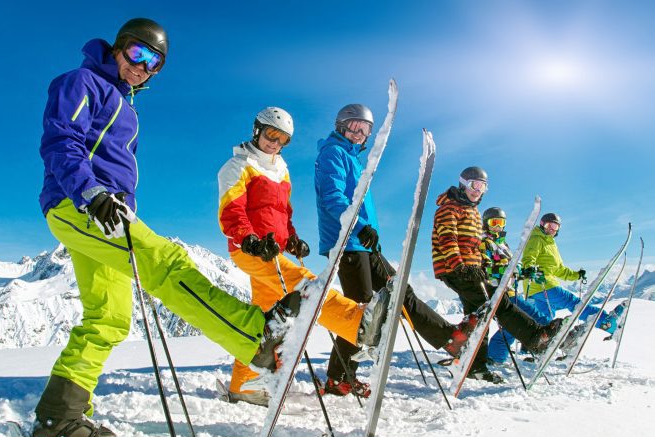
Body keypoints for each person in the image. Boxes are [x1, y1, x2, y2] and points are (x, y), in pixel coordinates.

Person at [33, 18, 296, 437]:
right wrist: (91, 192)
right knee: (167, 263)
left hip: (104, 209)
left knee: (109, 319)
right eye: (138, 53)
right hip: (79, 204)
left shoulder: (125, 105)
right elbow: (62, 140)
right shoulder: (81, 81)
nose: (144, 67)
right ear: (119, 47)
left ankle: (59, 417)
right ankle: (254, 334)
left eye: (155, 63)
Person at [217, 107, 386, 406]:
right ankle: (357, 324)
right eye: (271, 134)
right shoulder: (238, 165)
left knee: (262, 320)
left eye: (283, 139)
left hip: (274, 251)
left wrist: (292, 239)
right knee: (308, 288)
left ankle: (242, 384)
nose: (275, 142)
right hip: (252, 250)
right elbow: (232, 212)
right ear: (257, 130)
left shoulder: (280, 169)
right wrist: (251, 240)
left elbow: (283, 212)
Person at [314, 104, 471, 397]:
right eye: (353, 127)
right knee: (362, 314)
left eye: (365, 130)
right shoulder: (333, 154)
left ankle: (451, 339)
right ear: (340, 126)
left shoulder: (353, 158)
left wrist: (365, 232)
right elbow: (332, 199)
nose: (359, 133)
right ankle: (338, 378)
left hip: (363, 242)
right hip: (347, 243)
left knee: (400, 291)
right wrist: (360, 227)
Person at [432, 167, 563, 383]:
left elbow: (473, 249)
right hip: (457, 269)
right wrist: (459, 266)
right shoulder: (450, 208)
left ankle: (474, 363)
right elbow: (448, 239)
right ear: (463, 183)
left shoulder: (472, 211)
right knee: (497, 305)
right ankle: (535, 337)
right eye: (474, 184)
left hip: (471, 270)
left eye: (483, 186)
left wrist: (480, 268)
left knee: (479, 315)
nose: (478, 190)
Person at [522, 213, 626, 347]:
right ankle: (605, 322)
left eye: (555, 226)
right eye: (549, 225)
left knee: (544, 320)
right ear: (542, 225)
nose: (552, 229)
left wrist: (577, 275)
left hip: (539, 287)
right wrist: (530, 268)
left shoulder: (550, 244)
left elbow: (559, 270)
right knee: (574, 303)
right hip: (542, 283)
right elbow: (528, 258)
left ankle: (535, 346)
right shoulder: (537, 238)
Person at [479, 207, 553, 364]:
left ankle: (494, 357)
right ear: (486, 224)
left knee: (511, 328)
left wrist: (525, 272)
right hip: (498, 291)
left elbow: (513, 267)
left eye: (501, 222)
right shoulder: (484, 243)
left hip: (510, 291)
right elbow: (485, 269)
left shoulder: (503, 244)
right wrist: (508, 270)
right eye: (494, 222)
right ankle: (554, 340)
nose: (497, 226)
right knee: (534, 317)